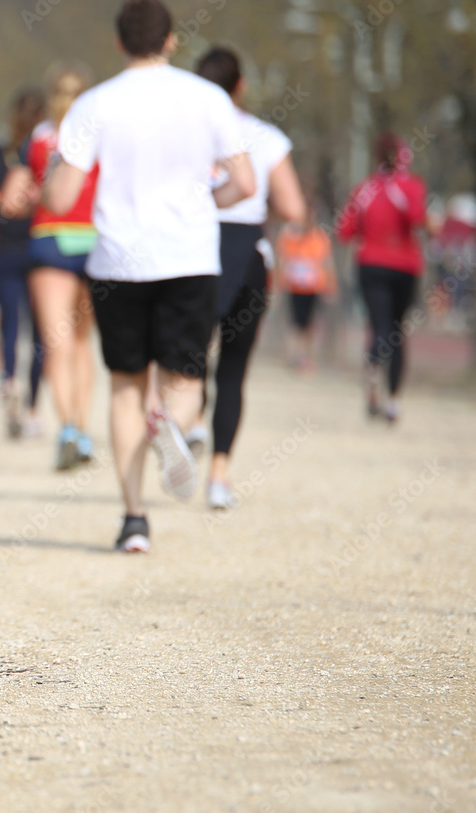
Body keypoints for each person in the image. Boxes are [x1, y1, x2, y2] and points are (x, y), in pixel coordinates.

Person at [43, 0, 255, 552]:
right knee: (185, 378)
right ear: (171, 42)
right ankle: (174, 430)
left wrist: (45, 185)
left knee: (125, 385)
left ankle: (134, 519)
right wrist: (208, 201)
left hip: (117, 261)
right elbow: (246, 184)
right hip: (187, 255)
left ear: (119, 43)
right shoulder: (209, 99)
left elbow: (63, 194)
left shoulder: (94, 103)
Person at [194, 46, 306, 510]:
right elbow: (294, 208)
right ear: (240, 85)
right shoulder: (264, 137)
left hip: (194, 247)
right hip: (247, 254)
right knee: (234, 370)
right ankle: (219, 476)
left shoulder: (185, 132)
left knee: (187, 351)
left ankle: (188, 422)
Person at [3, 63, 99, 469]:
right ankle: (84, 426)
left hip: (49, 240)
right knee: (82, 343)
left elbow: (10, 200)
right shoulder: (99, 134)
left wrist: (30, 195)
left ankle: (67, 429)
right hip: (96, 241)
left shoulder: (38, 139)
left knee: (55, 341)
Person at [338, 132, 428, 423]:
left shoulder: (365, 188)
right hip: (405, 265)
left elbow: (345, 231)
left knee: (378, 326)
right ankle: (394, 401)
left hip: (371, 264)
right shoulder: (412, 186)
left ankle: (374, 365)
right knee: (397, 331)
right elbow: (417, 220)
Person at [0, 87, 47, 439]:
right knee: (41, 332)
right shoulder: (48, 154)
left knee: (7, 325)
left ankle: (7, 383)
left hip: (4, 249)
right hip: (40, 246)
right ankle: (34, 407)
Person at [275, 208, 337, 375]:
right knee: (295, 324)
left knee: (309, 324)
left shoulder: (319, 237)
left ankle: (307, 358)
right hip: (294, 287)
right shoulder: (289, 235)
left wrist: (330, 287)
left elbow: (326, 262)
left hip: (314, 287)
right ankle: (294, 356)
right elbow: (282, 260)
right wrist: (279, 284)